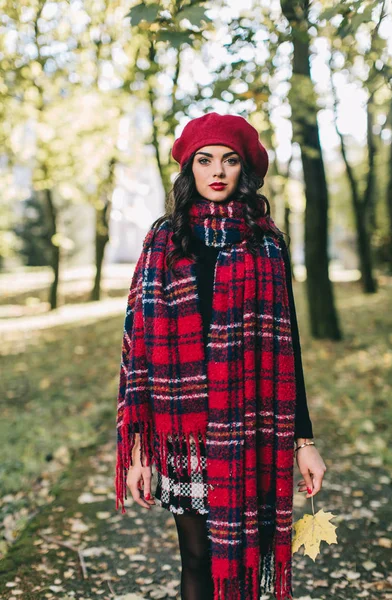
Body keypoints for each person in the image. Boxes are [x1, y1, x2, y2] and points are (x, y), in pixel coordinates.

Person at [115, 112, 327, 600]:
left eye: (229, 161)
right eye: (205, 160)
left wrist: (303, 442)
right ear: (189, 169)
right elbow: (138, 351)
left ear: (243, 171)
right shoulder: (163, 242)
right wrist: (140, 447)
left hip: (248, 425)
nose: (217, 171)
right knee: (196, 560)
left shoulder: (266, 244)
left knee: (243, 560)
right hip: (182, 434)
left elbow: (286, 350)